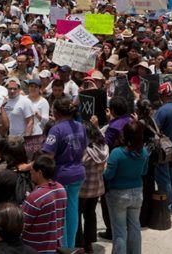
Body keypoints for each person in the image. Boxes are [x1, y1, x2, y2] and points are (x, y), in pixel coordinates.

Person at [39, 96, 86, 249]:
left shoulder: (56, 129)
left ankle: (64, 248)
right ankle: (70, 246)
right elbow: (84, 150)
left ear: (56, 112)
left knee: (62, 215)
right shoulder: (81, 126)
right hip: (78, 173)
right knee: (72, 210)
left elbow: (49, 156)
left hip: (62, 176)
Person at [103, 120, 150, 254]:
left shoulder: (117, 153)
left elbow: (108, 175)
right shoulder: (145, 152)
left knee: (119, 231)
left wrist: (104, 169)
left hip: (118, 194)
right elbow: (144, 171)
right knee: (135, 227)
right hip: (137, 193)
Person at [21, 155, 67, 254]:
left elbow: (23, 224)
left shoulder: (35, 197)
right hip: (56, 247)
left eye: (32, 170)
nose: (30, 172)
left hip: (37, 248)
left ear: (39, 173)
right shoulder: (61, 189)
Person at [77, 123, 108, 254]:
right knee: (90, 214)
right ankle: (89, 243)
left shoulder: (85, 151)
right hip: (97, 189)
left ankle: (78, 242)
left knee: (77, 216)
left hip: (82, 190)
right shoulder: (103, 148)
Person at [153, 82, 172, 212]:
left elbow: (155, 129)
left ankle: (167, 206)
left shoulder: (162, 110)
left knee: (163, 177)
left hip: (163, 147)